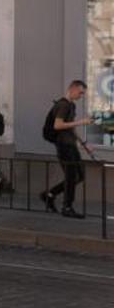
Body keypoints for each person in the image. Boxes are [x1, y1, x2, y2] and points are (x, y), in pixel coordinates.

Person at [42, 79, 93, 219]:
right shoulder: (63, 105)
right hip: (64, 145)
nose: (81, 96)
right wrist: (82, 122)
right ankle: (67, 207)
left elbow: (70, 126)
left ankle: (49, 194)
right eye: (81, 93)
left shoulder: (71, 105)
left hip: (71, 144)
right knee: (72, 176)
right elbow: (57, 125)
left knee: (80, 175)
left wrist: (84, 143)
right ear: (73, 89)